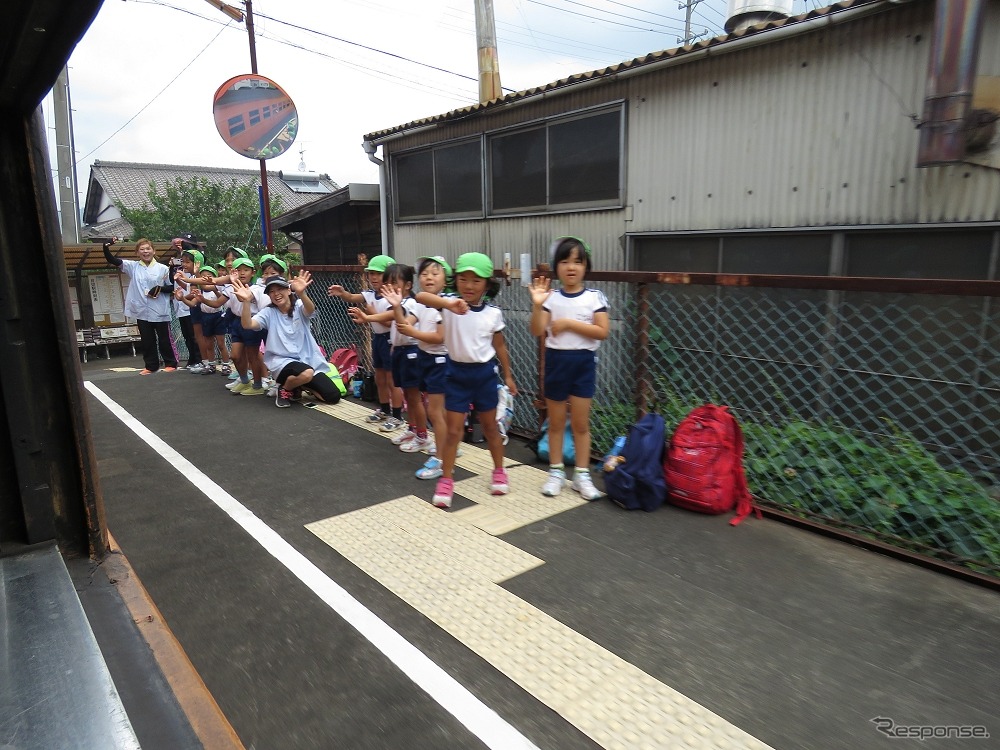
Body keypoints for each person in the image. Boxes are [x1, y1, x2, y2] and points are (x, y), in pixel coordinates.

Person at [416, 252, 517, 509]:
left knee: (491, 427)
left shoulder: (493, 313)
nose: (469, 286)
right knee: (453, 431)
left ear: (486, 284)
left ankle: (498, 471)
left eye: (476, 280)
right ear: (455, 280)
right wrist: (449, 305)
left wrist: (508, 375)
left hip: (484, 376)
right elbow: (420, 297)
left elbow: (500, 346)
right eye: (463, 279)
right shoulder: (448, 302)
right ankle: (447, 480)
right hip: (455, 375)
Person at [529, 236, 610, 500]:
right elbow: (536, 330)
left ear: (586, 266)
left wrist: (568, 324)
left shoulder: (594, 297)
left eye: (578, 261)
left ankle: (582, 476)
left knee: (580, 424)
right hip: (556, 363)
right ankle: (556, 473)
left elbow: (602, 331)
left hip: (583, 365)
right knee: (555, 423)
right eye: (565, 261)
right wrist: (538, 303)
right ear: (557, 267)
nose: (571, 267)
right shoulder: (550, 298)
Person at [385, 255, 452, 480]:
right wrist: (396, 306)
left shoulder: (444, 305)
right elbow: (404, 325)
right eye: (424, 274)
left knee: (435, 411)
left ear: (446, 279)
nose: (429, 277)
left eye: (435, 273)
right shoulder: (422, 304)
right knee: (434, 410)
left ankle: (442, 459)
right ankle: (445, 448)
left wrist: (413, 333)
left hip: (440, 362)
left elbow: (439, 337)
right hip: (425, 359)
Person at [234, 273, 342, 408]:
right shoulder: (268, 312)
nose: (276, 294)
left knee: (333, 396)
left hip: (307, 361)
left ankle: (299, 384)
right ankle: (285, 388)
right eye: (271, 291)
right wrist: (246, 302)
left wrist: (302, 293)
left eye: (280, 289)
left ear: (289, 290)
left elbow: (310, 310)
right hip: (282, 362)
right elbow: (248, 324)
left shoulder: (299, 305)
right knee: (306, 373)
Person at [328, 255, 404, 428]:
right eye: (371, 274)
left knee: (392, 380)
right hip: (378, 339)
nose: (374, 277)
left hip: (391, 341)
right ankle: (384, 410)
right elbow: (353, 297)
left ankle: (398, 416)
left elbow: (388, 322)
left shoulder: (393, 297)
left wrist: (369, 314)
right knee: (379, 378)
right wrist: (342, 293)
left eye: (378, 274)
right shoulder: (370, 294)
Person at [102, 237, 178, 374]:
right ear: (137, 253)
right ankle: (151, 366)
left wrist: (159, 288)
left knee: (164, 338)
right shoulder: (132, 266)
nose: (145, 251)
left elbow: (172, 287)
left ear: (154, 251)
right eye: (142, 249)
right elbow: (112, 260)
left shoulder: (163, 269)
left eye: (148, 248)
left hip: (159, 308)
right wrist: (106, 247)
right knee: (147, 340)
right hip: (141, 309)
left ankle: (170, 363)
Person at [376, 264, 430, 452]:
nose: (389, 286)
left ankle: (422, 435)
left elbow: (398, 321)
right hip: (400, 350)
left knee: (415, 398)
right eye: (386, 283)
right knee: (409, 395)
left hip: (411, 352)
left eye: (393, 282)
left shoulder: (410, 304)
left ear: (407, 285)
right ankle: (413, 429)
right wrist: (394, 346)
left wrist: (367, 317)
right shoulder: (401, 303)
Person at [224, 257, 268, 395]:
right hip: (237, 321)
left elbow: (242, 298)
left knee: (252, 356)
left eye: (246, 270)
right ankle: (244, 381)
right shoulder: (231, 285)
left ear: (253, 273)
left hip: (252, 321)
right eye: (239, 270)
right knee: (235, 355)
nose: (242, 273)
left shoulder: (255, 288)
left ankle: (258, 385)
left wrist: (234, 282)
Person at [188, 266, 233, 376]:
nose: (205, 278)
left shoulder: (218, 288)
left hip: (218, 317)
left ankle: (226, 364)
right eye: (203, 276)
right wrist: (181, 298)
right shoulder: (201, 291)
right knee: (208, 343)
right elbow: (192, 302)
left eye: (209, 276)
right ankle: (211, 364)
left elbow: (219, 300)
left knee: (221, 343)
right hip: (205, 317)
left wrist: (214, 289)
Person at [168, 236, 202, 369]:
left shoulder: (197, 267)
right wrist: (172, 268)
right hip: (181, 307)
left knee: (195, 336)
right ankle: (192, 358)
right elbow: (177, 282)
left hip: (191, 306)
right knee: (187, 335)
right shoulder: (178, 263)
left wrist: (182, 297)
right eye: (183, 261)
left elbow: (192, 289)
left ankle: (199, 359)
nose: (184, 263)